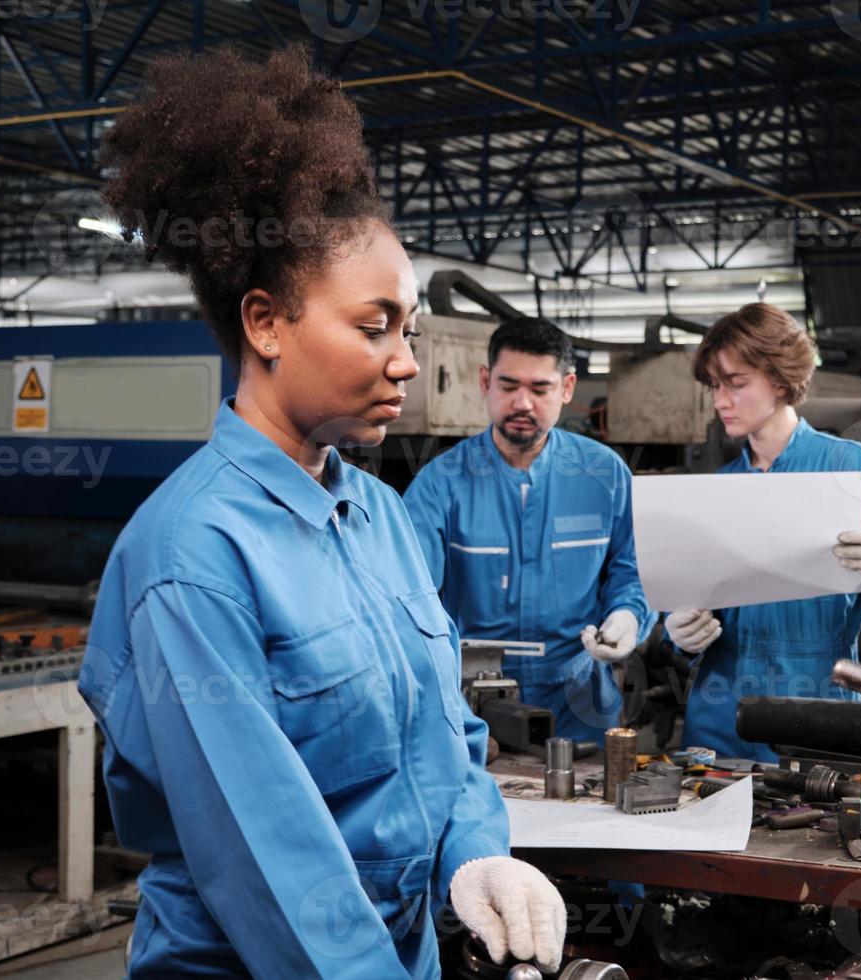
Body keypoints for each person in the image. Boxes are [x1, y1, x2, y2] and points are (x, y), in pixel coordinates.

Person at [78, 47, 564, 978]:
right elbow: (261, 852)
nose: (407, 361)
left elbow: (443, 731)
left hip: (404, 949)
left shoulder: (380, 518)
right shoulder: (194, 556)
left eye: (409, 328)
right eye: (373, 325)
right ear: (265, 323)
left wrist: (475, 853)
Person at [665, 304, 861, 762]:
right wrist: (679, 633)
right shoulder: (721, 487)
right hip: (719, 715)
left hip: (817, 708)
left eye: (735, 384)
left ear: (778, 379)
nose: (719, 401)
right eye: (715, 386)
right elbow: (691, 603)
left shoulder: (847, 467)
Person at [403, 318, 652, 742]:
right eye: (508, 386)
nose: (523, 403)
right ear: (485, 382)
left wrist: (628, 617)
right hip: (473, 702)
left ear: (567, 388)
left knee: (589, 803)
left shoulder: (604, 474)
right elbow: (410, 595)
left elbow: (634, 569)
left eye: (540, 389)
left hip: (581, 699)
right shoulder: (440, 483)